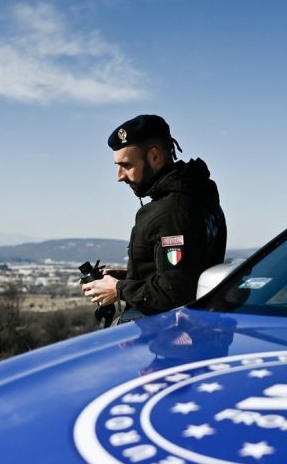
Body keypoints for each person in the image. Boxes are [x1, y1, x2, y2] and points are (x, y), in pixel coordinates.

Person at [81, 114, 227, 322]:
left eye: (127, 165)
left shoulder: (172, 211)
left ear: (155, 157)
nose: (119, 176)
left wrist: (118, 289)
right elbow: (187, 272)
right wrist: (127, 277)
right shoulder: (198, 193)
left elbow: (174, 294)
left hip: (167, 340)